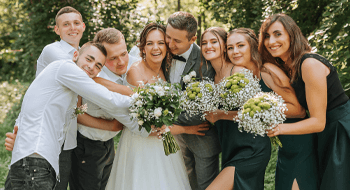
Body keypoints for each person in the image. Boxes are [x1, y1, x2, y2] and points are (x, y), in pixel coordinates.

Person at [3, 42, 141, 189]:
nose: (91, 67)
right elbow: (107, 98)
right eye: (89, 59)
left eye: (98, 65)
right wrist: (142, 101)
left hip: (37, 159)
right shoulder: (64, 68)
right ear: (76, 55)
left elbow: (30, 107)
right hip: (35, 160)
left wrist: (18, 135)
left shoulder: (65, 89)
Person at [105, 22, 209, 190]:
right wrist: (188, 129)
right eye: (150, 43)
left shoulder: (165, 69)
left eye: (160, 43)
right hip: (143, 144)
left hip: (165, 144)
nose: (156, 48)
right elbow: (155, 126)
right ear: (143, 47)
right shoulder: (135, 72)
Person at [203, 27, 306, 190]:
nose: (235, 51)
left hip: (274, 144)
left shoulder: (267, 71)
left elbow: (298, 110)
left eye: (240, 45)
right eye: (230, 48)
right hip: (242, 146)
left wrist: (260, 111)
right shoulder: (239, 76)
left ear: (252, 46)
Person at [261, 13, 350, 190]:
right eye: (267, 36)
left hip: (340, 130)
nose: (271, 41)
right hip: (327, 133)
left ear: (292, 35)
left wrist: (279, 128)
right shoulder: (291, 66)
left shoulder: (308, 64)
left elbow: (318, 122)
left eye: (278, 34)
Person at [4, 6, 86, 190]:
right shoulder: (53, 51)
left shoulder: (86, 54)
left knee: (57, 184)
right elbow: (82, 75)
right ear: (57, 30)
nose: (72, 27)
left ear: (83, 26)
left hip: (66, 137)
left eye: (76, 23)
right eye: (66, 24)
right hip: (39, 136)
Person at [69, 28, 141, 190]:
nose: (121, 62)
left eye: (123, 54)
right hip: (87, 144)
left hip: (108, 143)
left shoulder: (131, 63)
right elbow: (76, 113)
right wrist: (112, 126)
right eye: (112, 58)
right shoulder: (94, 76)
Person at [163, 12, 220, 190]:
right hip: (171, 139)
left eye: (177, 41)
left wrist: (163, 117)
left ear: (193, 38)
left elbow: (200, 111)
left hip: (202, 138)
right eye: (168, 37)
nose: (170, 44)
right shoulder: (161, 52)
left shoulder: (207, 61)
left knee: (205, 186)